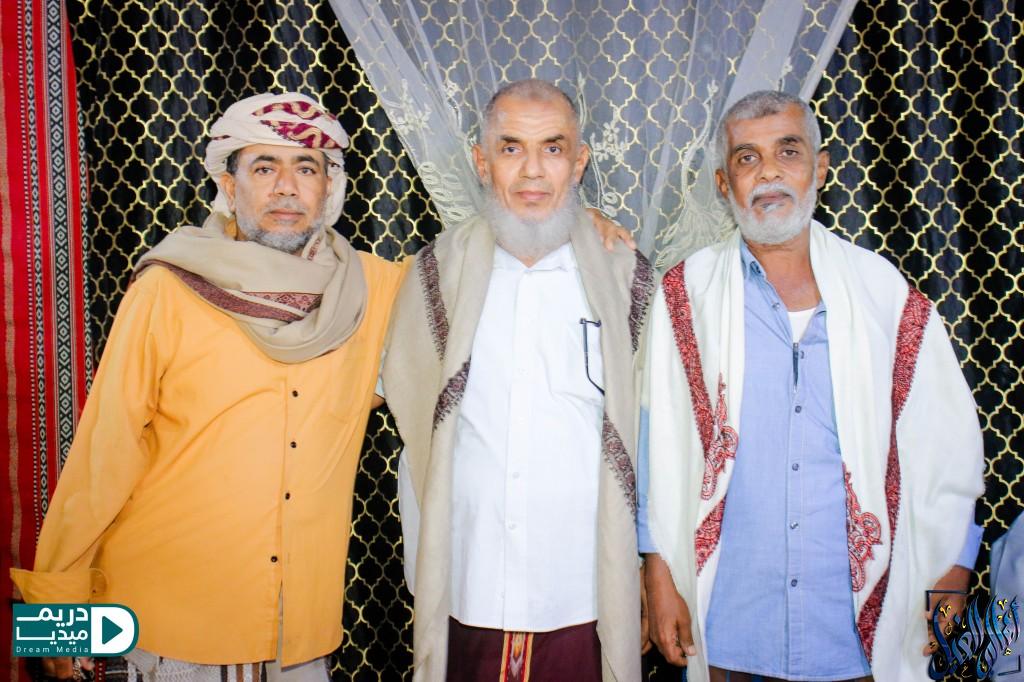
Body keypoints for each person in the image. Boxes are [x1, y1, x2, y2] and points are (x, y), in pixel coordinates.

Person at [10, 93, 408, 681]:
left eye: (306, 168)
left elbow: (475, 285)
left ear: (330, 187)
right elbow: (104, 450)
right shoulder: (168, 287)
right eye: (264, 167)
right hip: (171, 620)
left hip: (297, 631)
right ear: (228, 183)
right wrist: (56, 621)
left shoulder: (375, 292)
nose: (286, 188)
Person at [639, 90, 985, 682]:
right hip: (730, 624)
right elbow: (656, 444)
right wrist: (658, 572)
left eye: (788, 151)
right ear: (724, 184)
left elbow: (946, 444)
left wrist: (955, 566)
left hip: (853, 633)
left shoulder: (884, 296)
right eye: (747, 158)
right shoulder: (686, 295)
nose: (768, 172)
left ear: (820, 168)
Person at [382, 79, 654, 682]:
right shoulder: (435, 274)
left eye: (553, 149)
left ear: (579, 163)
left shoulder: (627, 278)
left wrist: (650, 568)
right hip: (468, 582)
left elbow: (660, 437)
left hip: (584, 589)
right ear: (482, 162)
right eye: (511, 149)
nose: (533, 170)